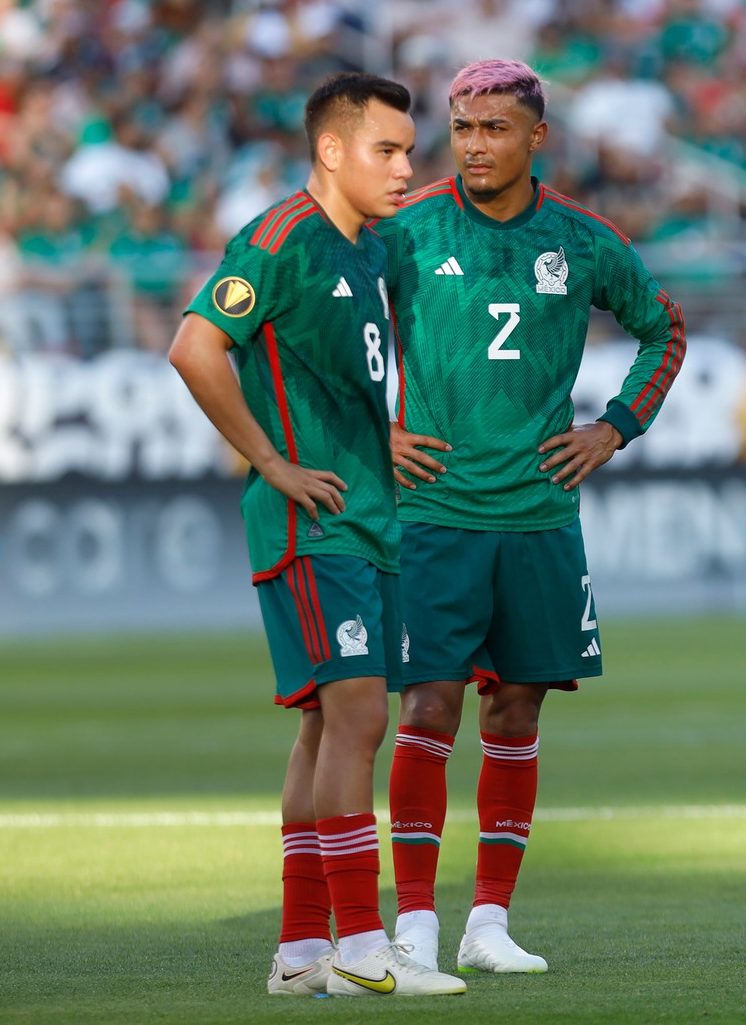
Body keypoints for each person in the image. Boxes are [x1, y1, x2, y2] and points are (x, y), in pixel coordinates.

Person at [377, 60, 687, 974]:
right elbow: (324, 327)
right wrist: (369, 433)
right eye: (463, 127)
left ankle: (490, 923)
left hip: (541, 516)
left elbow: (665, 326)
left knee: (514, 714)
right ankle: (415, 927)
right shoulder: (406, 227)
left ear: (535, 137)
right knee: (428, 707)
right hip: (433, 511)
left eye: (494, 129)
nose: (475, 144)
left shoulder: (583, 240)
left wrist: (614, 427)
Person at [167, 73, 466, 997]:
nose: (406, 168)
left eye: (411, 150)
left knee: (321, 728)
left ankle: (301, 952)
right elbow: (194, 345)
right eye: (387, 149)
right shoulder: (281, 236)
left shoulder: (367, 253)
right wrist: (272, 460)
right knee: (362, 717)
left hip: (367, 514)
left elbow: (324, 375)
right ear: (331, 150)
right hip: (314, 519)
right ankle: (365, 944)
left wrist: (380, 436)